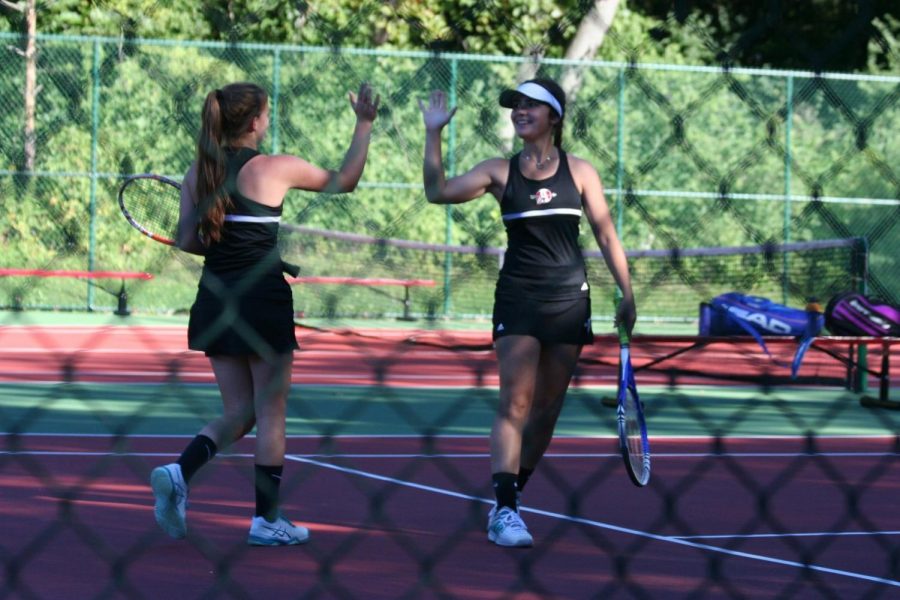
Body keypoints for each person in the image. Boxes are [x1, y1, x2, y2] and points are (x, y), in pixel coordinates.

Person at [150, 81, 379, 546]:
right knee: (270, 411)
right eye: (267, 113)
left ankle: (179, 471)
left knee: (239, 411)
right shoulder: (276, 167)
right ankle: (266, 520)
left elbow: (189, 242)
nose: (269, 120)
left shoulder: (199, 172)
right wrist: (364, 123)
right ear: (254, 121)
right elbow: (347, 180)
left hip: (214, 299)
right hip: (261, 300)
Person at [419, 78, 636, 548]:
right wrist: (433, 132)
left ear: (554, 116)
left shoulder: (581, 172)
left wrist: (627, 291)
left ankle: (510, 495)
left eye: (530, 105)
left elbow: (606, 235)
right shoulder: (498, 171)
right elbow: (437, 191)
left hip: (569, 301)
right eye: (515, 105)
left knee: (546, 411)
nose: (519, 111)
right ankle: (506, 509)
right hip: (517, 298)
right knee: (514, 403)